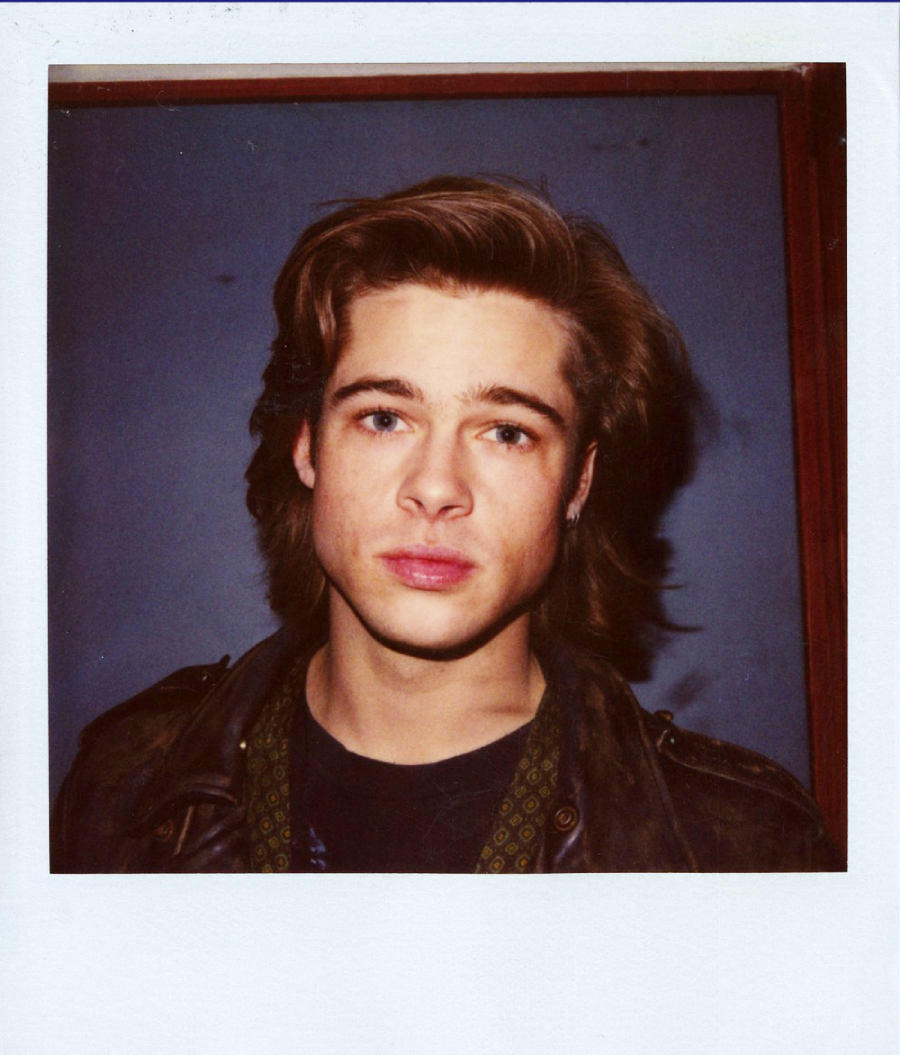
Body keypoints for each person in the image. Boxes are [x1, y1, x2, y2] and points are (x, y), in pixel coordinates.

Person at [51, 176, 836, 873]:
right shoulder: (122, 787)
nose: (435, 489)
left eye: (507, 432)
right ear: (307, 446)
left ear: (579, 480)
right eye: (384, 417)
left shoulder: (744, 846)